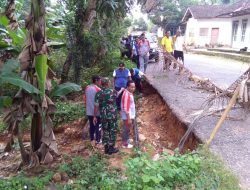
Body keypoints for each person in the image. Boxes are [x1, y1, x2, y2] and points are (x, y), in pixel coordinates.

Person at [94, 78, 119, 155]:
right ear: (108, 83)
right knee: (112, 130)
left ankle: (106, 148)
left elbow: (96, 106)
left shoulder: (98, 93)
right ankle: (111, 148)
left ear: (101, 84)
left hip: (103, 115)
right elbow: (117, 96)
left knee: (105, 130)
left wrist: (94, 116)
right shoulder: (113, 91)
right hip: (112, 115)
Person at [84, 75, 102, 145]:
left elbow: (85, 99)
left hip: (89, 111)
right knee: (98, 125)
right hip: (96, 111)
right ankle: (98, 140)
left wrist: (87, 108)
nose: (100, 82)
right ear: (96, 81)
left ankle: (92, 139)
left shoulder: (87, 88)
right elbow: (99, 102)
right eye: (100, 80)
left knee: (92, 125)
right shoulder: (98, 89)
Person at [121, 80, 136, 148]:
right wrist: (129, 118)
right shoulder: (127, 94)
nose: (133, 88)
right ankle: (125, 144)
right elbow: (126, 108)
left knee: (127, 128)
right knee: (126, 129)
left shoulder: (128, 93)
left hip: (129, 115)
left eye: (134, 87)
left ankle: (126, 140)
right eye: (131, 87)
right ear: (127, 86)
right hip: (127, 116)